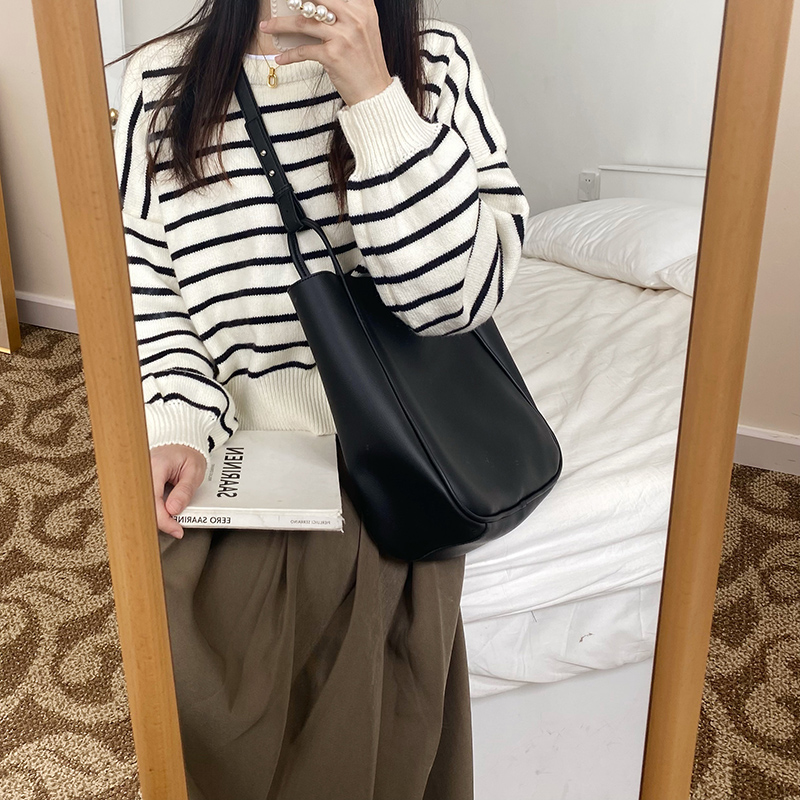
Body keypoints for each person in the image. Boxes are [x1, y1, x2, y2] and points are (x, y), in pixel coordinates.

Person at [113, 1, 529, 798]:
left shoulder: (434, 60)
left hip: (394, 438)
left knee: (366, 649)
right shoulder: (158, 82)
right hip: (235, 438)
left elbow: (455, 302)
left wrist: (374, 96)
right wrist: (176, 423)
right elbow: (150, 293)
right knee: (180, 625)